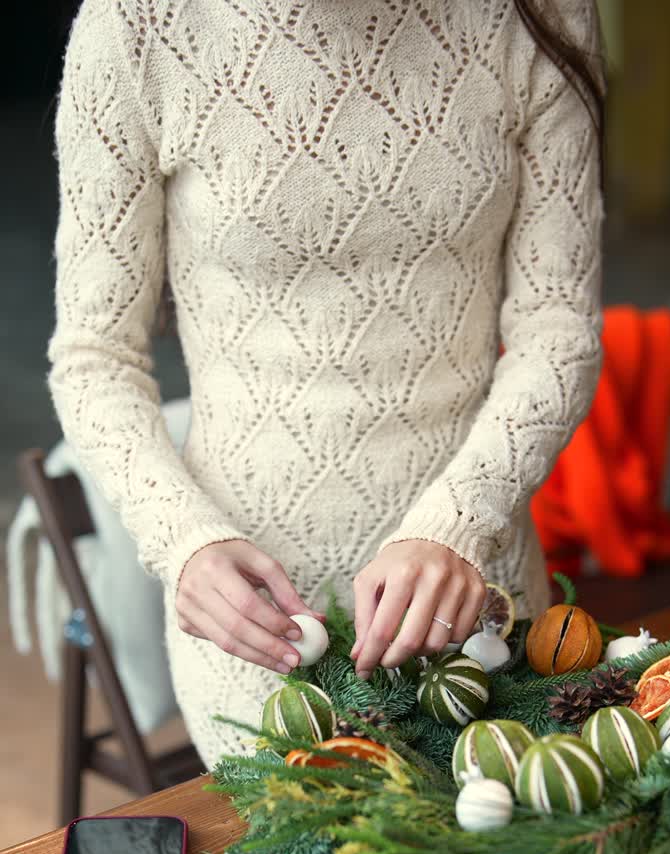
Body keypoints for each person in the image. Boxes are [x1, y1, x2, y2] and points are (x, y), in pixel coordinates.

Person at [49, 0, 605, 769]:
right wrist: (183, 541)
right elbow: (94, 356)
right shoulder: (137, 24)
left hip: (476, 594)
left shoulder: (536, 14)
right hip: (260, 630)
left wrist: (455, 524)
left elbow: (558, 327)